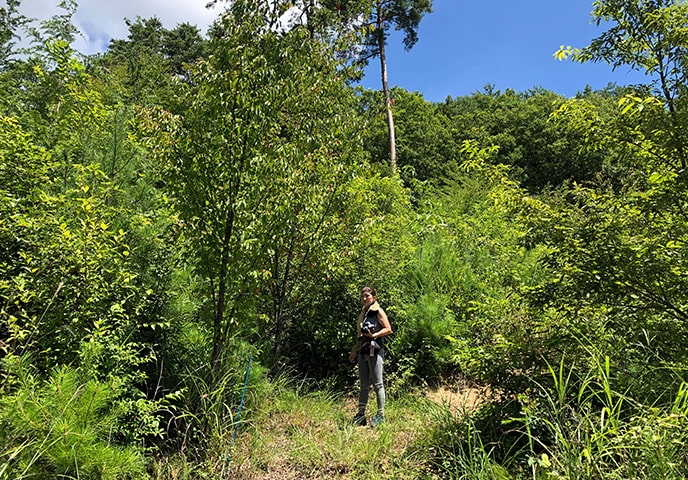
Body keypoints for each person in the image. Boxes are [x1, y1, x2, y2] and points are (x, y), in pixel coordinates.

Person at [349, 286, 392, 427]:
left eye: (367, 296)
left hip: (376, 350)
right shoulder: (363, 313)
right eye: (363, 296)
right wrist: (354, 351)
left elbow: (388, 328)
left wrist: (374, 335)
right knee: (364, 385)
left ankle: (381, 415)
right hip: (363, 350)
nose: (365, 298)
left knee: (378, 384)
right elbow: (360, 336)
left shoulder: (378, 311)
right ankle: (360, 415)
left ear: (374, 297)